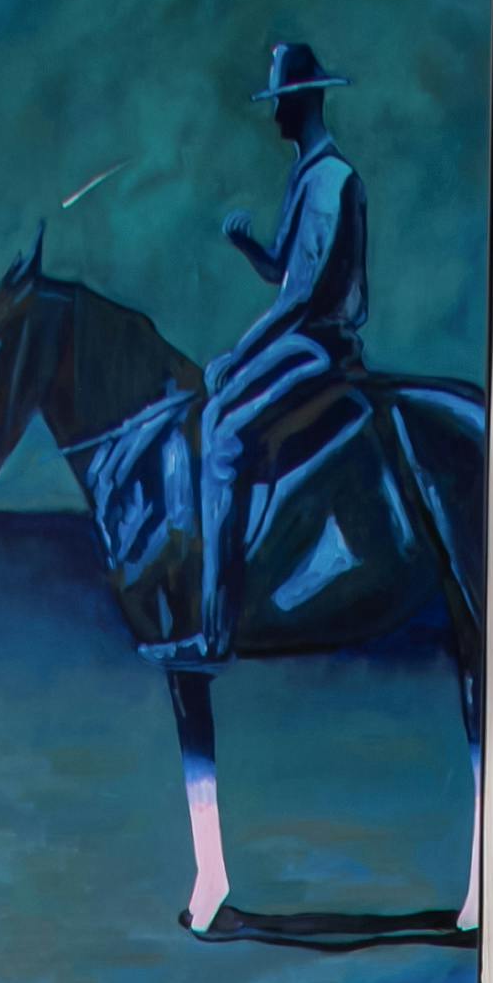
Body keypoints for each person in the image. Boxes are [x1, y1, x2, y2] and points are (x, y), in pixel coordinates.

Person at [190, 37, 368, 659]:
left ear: (304, 102)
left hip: (319, 345)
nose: (274, 115)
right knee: (218, 412)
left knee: (223, 432)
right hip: (304, 334)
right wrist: (250, 249)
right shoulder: (311, 175)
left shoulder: (328, 181)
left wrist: (239, 356)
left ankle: (217, 626)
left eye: (281, 101)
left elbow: (304, 298)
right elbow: (286, 274)